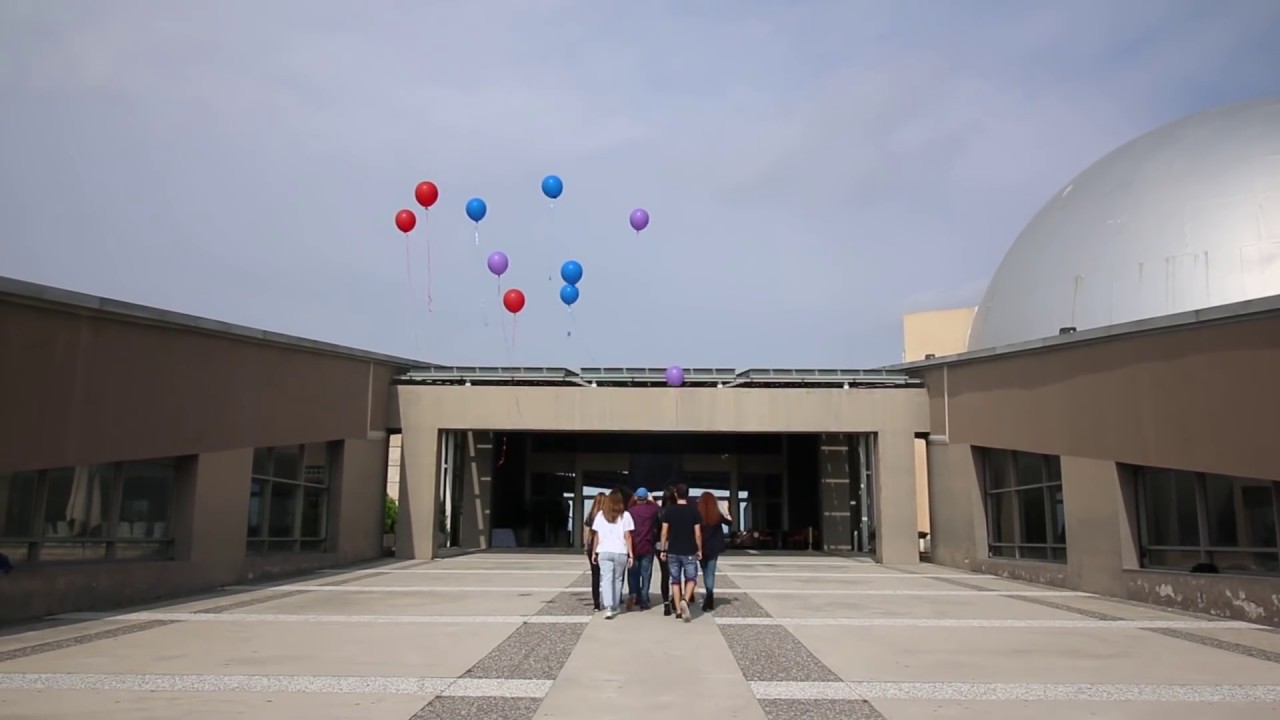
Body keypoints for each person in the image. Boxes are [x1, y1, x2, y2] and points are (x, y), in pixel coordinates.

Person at [659, 483, 702, 622]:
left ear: (676, 494)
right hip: (689, 550)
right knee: (691, 579)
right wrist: (699, 549)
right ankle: (685, 599)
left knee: (675, 581)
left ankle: (678, 610)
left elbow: (664, 533)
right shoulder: (694, 511)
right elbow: (697, 534)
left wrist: (663, 549)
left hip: (673, 550)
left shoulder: (669, 510)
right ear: (687, 494)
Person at [590, 489, 634, 619]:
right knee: (618, 579)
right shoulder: (625, 515)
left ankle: (608, 607)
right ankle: (614, 605)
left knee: (606, 579)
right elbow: (628, 536)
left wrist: (594, 552)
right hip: (620, 551)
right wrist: (631, 554)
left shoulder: (600, 515)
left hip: (604, 550)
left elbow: (596, 536)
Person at [625, 487, 660, 610]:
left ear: (636, 497)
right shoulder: (652, 510)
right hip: (647, 545)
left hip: (633, 546)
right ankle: (644, 600)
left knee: (633, 573)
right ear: (646, 498)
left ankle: (633, 594)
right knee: (646, 574)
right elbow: (659, 509)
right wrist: (652, 500)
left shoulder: (630, 511)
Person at [697, 491, 731, 611]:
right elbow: (729, 522)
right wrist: (726, 510)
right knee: (710, 572)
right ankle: (709, 595)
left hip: (701, 547)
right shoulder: (716, 514)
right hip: (714, 548)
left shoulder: (698, 514)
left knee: (705, 571)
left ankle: (708, 595)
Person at [583, 492, 607, 612]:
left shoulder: (590, 515)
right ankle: (610, 600)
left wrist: (586, 546)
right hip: (605, 546)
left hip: (593, 546)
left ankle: (596, 603)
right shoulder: (607, 515)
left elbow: (586, 532)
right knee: (608, 575)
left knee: (595, 575)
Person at [657, 486, 677, 616]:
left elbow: (657, 530)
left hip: (661, 545)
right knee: (676, 575)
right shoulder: (677, 511)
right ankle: (675, 600)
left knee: (665, 575)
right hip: (676, 545)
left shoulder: (660, 512)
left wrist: (662, 548)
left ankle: (665, 603)